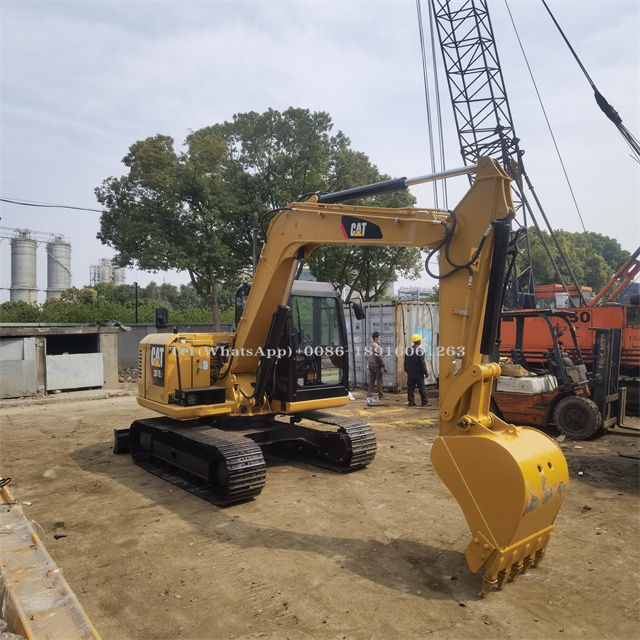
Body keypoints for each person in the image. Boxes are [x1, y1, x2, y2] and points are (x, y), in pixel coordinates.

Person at [404, 333, 429, 406]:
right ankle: (424, 402)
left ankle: (411, 402)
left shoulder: (408, 350)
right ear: (419, 341)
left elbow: (405, 362)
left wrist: (407, 370)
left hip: (410, 373)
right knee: (422, 388)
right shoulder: (420, 351)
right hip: (418, 373)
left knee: (410, 388)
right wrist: (425, 372)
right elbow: (422, 363)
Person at [366, 331, 385, 403]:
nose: (380, 338)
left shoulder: (369, 346)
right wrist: (383, 365)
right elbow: (379, 357)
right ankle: (381, 395)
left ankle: (369, 394)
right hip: (376, 366)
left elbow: (366, 356)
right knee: (379, 380)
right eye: (379, 337)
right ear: (375, 338)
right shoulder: (377, 347)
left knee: (371, 380)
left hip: (370, 365)